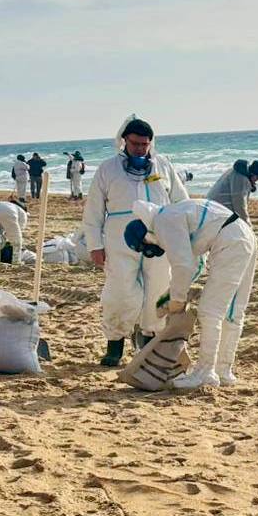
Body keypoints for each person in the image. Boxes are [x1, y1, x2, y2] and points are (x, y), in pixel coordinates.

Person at [83, 116, 189, 367]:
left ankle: (149, 340)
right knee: (120, 292)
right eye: (135, 144)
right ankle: (115, 344)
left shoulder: (163, 166)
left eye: (145, 144)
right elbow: (94, 211)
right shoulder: (108, 169)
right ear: (124, 142)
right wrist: (95, 245)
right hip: (120, 239)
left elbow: (181, 202)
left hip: (160, 236)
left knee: (159, 290)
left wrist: (185, 236)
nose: (140, 149)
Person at [122, 197, 258, 388]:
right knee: (233, 312)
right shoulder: (172, 214)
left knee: (210, 312)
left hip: (230, 241)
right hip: (244, 235)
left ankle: (205, 373)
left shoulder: (163, 221)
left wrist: (177, 300)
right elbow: (195, 265)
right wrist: (171, 295)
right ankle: (223, 371)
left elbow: (183, 266)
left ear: (145, 236)